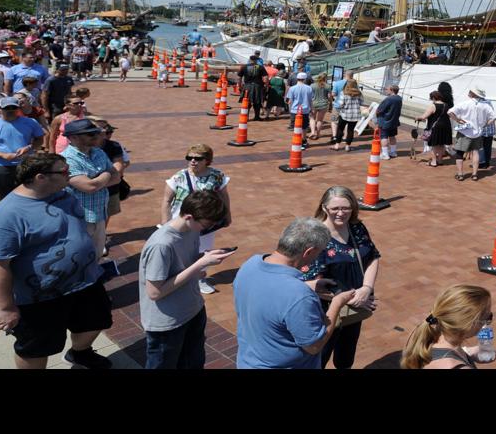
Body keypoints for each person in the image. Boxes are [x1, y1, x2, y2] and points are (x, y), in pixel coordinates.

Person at [0, 151, 114, 369]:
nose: (69, 175)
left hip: (86, 282)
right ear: (40, 177)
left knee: (96, 321)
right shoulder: (5, 217)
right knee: (35, 347)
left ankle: (80, 353)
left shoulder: (62, 194)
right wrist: (6, 308)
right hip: (40, 298)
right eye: (64, 172)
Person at [232, 217, 358, 369]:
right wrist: (337, 303)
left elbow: (271, 294)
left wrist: (308, 285)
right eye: (319, 252)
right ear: (308, 252)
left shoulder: (250, 265)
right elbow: (314, 346)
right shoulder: (299, 295)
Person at [139, 190, 233, 370]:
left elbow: (184, 265)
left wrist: (204, 257)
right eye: (208, 223)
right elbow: (154, 292)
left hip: (193, 310)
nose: (210, 227)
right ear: (189, 216)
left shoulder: (192, 230)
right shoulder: (161, 245)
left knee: (194, 364)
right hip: (167, 324)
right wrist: (199, 265)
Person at [300, 186, 382, 369]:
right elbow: (308, 281)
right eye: (335, 208)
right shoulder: (314, 236)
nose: (341, 213)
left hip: (355, 309)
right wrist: (354, 298)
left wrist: (367, 288)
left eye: (346, 208)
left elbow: (372, 257)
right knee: (317, 358)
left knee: (345, 358)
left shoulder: (357, 228)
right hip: (324, 312)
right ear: (324, 208)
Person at [401, 284, 496, 370]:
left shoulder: (428, 335)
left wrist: (467, 353)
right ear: (469, 325)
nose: (487, 323)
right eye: (488, 317)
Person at [162, 144, 232, 295]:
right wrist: (165, 225)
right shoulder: (179, 177)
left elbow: (223, 195)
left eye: (198, 158)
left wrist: (227, 214)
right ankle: (180, 278)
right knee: (181, 251)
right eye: (190, 157)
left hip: (205, 222)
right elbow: (167, 201)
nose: (193, 161)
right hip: (182, 223)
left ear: (207, 160)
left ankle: (200, 279)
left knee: (203, 250)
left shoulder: (217, 176)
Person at [61, 117, 121, 271]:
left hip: (100, 215)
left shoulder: (99, 152)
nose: (95, 136)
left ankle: (93, 283)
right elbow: (89, 186)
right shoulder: (67, 158)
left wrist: (98, 180)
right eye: (89, 134)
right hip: (79, 219)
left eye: (95, 133)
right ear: (73, 137)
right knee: (77, 258)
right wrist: (106, 174)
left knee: (95, 256)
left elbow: (117, 178)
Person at [0, 96, 46, 199]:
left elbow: (40, 139)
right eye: (7, 108)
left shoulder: (30, 122)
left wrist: (28, 148)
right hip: (1, 165)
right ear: (0, 109)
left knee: (30, 194)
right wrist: (3, 155)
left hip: (26, 164)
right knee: (5, 197)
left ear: (18, 108)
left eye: (13, 108)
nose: (10, 110)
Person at [449, 89, 493, 180]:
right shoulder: (485, 106)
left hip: (465, 131)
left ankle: (460, 174)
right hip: (477, 132)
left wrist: (457, 120)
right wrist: (485, 124)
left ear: (473, 94)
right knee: (475, 152)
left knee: (460, 153)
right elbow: (494, 117)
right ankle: (474, 174)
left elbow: (450, 112)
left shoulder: (465, 103)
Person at [331, 82, 367, 151]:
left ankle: (337, 145)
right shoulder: (359, 93)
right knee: (350, 131)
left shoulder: (343, 93)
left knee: (340, 129)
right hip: (355, 115)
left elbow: (341, 104)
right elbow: (362, 103)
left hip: (345, 114)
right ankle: (347, 146)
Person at [373, 83, 404, 161]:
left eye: (387, 89)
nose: (386, 90)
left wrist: (376, 115)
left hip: (385, 121)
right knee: (392, 136)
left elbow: (380, 110)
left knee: (384, 137)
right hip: (394, 121)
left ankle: (385, 154)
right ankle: (393, 152)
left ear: (392, 90)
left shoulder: (388, 99)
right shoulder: (399, 99)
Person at [421, 90, 451, 166]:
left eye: (431, 98)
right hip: (445, 126)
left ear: (434, 97)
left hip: (436, 127)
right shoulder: (446, 105)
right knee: (441, 144)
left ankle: (434, 161)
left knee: (433, 144)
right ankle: (440, 160)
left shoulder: (433, 106)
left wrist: (417, 118)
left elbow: (424, 116)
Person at [309, 72, 332, 140]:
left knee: (312, 118)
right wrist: (330, 103)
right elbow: (329, 96)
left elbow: (310, 95)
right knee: (320, 120)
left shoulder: (312, 85)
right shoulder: (328, 86)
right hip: (323, 104)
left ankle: (313, 132)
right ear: (326, 78)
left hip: (314, 103)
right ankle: (318, 134)